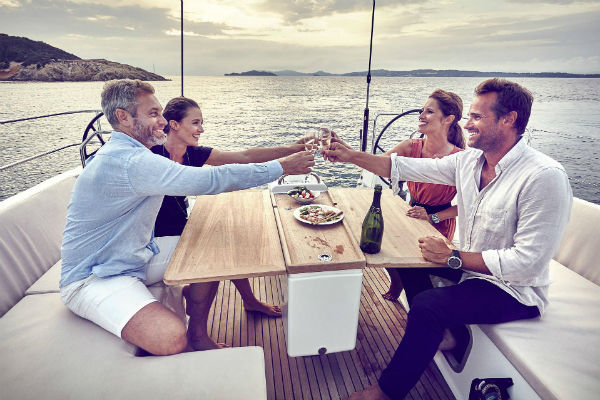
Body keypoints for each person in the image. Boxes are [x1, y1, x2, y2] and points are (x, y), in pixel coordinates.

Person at [324, 78, 572, 400]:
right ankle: (444, 335)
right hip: (470, 268)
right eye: (469, 116)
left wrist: (453, 257)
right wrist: (350, 156)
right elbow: (403, 166)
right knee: (409, 261)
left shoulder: (543, 176)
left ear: (509, 119)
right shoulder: (469, 161)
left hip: (513, 288)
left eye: (477, 117)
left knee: (428, 306)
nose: (466, 125)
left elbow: (528, 263)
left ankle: (385, 392)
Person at [59, 79, 314, 356]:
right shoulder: (130, 161)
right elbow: (210, 180)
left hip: (133, 255)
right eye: (153, 114)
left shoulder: (132, 153)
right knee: (169, 337)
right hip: (95, 276)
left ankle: (199, 332)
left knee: (215, 246)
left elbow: (239, 158)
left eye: (161, 113)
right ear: (123, 117)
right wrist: (280, 167)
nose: (162, 121)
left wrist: (287, 154)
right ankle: (192, 313)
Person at [151, 96, 310, 323]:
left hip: (180, 225)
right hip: (157, 236)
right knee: (217, 251)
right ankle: (197, 332)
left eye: (201, 123)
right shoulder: (153, 155)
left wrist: (292, 148)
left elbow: (245, 157)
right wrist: (284, 166)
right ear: (174, 125)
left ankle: (249, 301)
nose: (201, 129)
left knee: (229, 236)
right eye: (195, 123)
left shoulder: (192, 153)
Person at [381, 89, 464, 302]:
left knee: (417, 266)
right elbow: (378, 164)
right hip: (412, 211)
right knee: (384, 245)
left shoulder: (461, 159)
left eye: (429, 111)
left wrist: (433, 217)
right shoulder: (410, 146)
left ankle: (422, 306)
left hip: (440, 220)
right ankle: (397, 280)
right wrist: (347, 153)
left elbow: (467, 206)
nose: (421, 115)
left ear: (448, 119)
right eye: (422, 110)